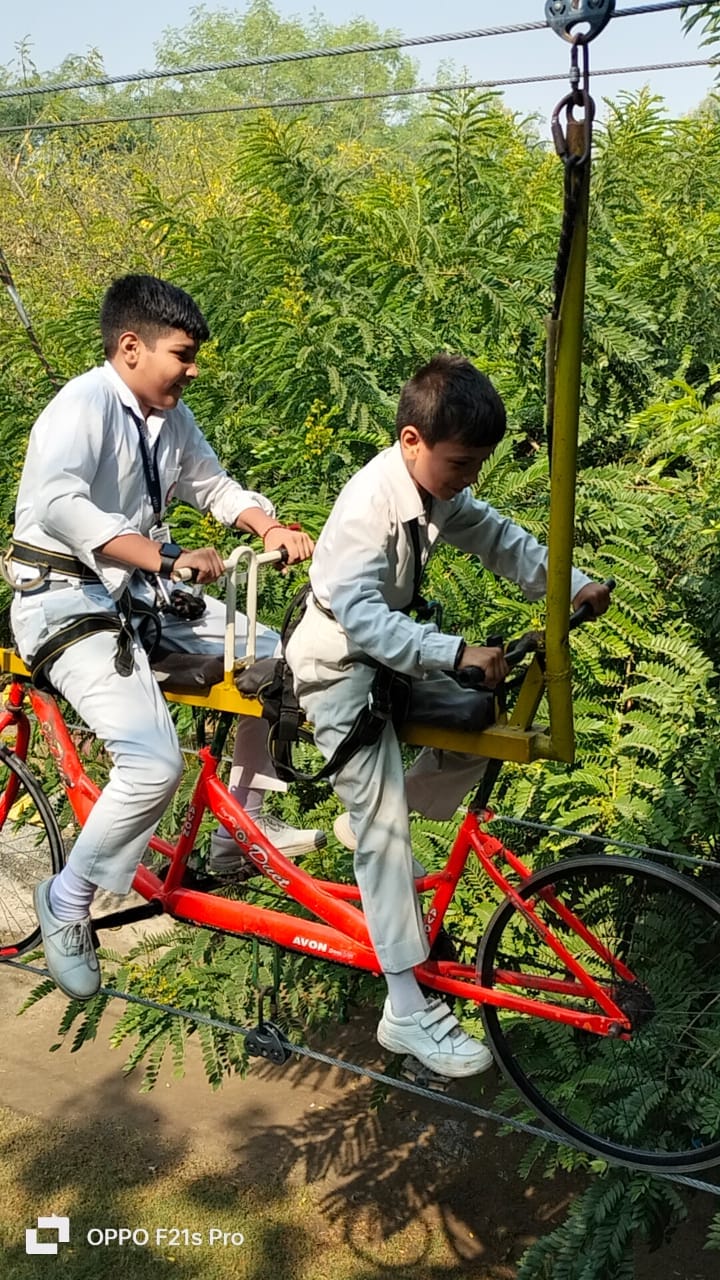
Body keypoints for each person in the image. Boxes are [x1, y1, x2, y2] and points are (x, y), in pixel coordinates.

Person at [286, 353, 610, 1079]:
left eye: (479, 464)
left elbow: (498, 537)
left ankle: (380, 814)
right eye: (461, 463)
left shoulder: (433, 490)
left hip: (393, 661)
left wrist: (572, 584)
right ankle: (405, 1009)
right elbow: (362, 618)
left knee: (482, 721)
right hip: (338, 668)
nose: (471, 478)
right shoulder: (369, 507)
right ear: (412, 441)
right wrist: (453, 649)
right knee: (386, 837)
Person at [10, 273, 324, 1002]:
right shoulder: (82, 406)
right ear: (132, 348)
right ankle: (67, 900)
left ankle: (239, 831)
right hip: (63, 600)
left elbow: (212, 485)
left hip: (138, 595)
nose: (192, 371)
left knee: (274, 656)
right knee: (153, 764)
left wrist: (267, 526)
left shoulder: (168, 419)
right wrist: (164, 557)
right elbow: (60, 506)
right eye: (182, 355)